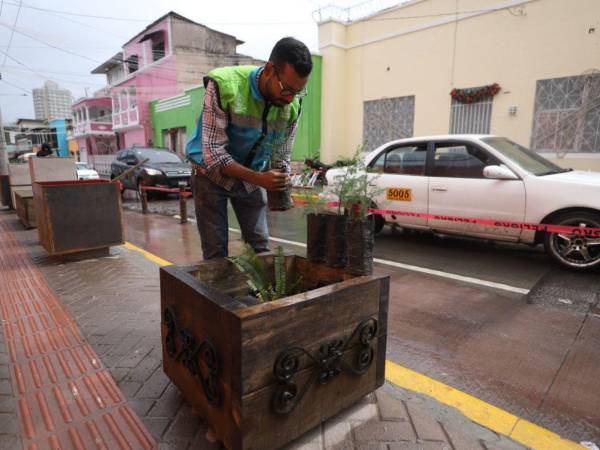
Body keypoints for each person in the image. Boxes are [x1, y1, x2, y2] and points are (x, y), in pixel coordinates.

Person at [186, 37, 312, 259]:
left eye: (298, 92)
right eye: (286, 89)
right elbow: (214, 153)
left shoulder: (291, 104)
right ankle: (219, 292)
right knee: (216, 253)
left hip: (252, 177)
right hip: (210, 174)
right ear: (270, 69)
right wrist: (260, 179)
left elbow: (282, 152)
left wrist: (280, 180)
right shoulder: (224, 85)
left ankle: (263, 292)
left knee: (261, 247)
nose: (291, 97)